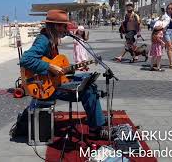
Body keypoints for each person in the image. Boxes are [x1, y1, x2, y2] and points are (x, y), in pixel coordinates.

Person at [19, 10, 108, 139]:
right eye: (64, 26)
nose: (66, 29)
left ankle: (96, 118)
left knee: (87, 79)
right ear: (56, 26)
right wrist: (49, 66)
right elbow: (25, 60)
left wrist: (68, 69)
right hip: (46, 87)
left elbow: (56, 67)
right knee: (88, 90)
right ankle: (96, 128)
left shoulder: (51, 40)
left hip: (54, 81)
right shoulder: (43, 40)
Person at [155, 2, 172, 69]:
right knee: (169, 47)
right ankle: (171, 63)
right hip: (165, 33)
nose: (170, 10)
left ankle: (156, 62)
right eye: (168, 8)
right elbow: (159, 23)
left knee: (168, 48)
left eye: (171, 8)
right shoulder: (164, 16)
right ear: (166, 9)